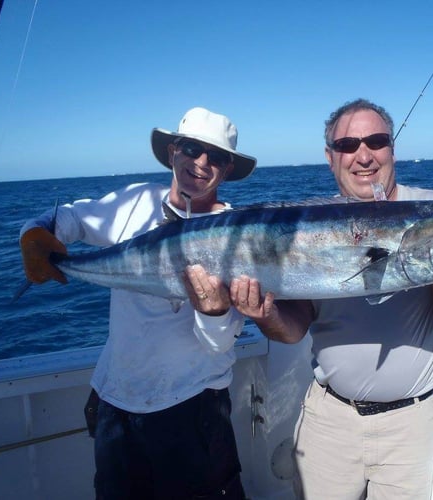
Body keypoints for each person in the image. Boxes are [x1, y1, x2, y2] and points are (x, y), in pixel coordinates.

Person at [230, 98, 433, 499]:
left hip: (411, 423)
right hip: (328, 420)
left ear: (392, 148)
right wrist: (264, 315)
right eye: (348, 146)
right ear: (330, 157)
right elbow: (293, 329)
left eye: (376, 141)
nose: (363, 156)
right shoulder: (307, 228)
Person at [19, 107, 256, 499]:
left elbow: (219, 345)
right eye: (192, 148)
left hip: (194, 406)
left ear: (227, 170)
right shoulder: (137, 200)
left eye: (215, 157)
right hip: (116, 401)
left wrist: (213, 312)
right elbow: (70, 219)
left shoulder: (239, 235)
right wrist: (36, 233)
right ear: (172, 152)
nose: (201, 162)